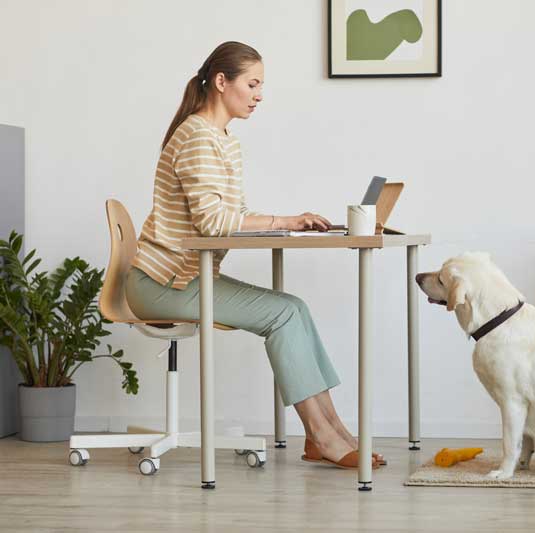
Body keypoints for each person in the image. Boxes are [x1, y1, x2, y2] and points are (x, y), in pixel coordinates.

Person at [126, 41, 383, 469]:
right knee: (282, 314)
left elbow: (232, 214)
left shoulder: (224, 140)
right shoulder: (196, 136)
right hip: (163, 283)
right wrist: (284, 219)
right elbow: (212, 221)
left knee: (293, 308)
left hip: (188, 276)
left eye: (261, 85)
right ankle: (322, 435)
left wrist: (290, 222)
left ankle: (331, 432)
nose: (260, 94)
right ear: (222, 82)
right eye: (253, 83)